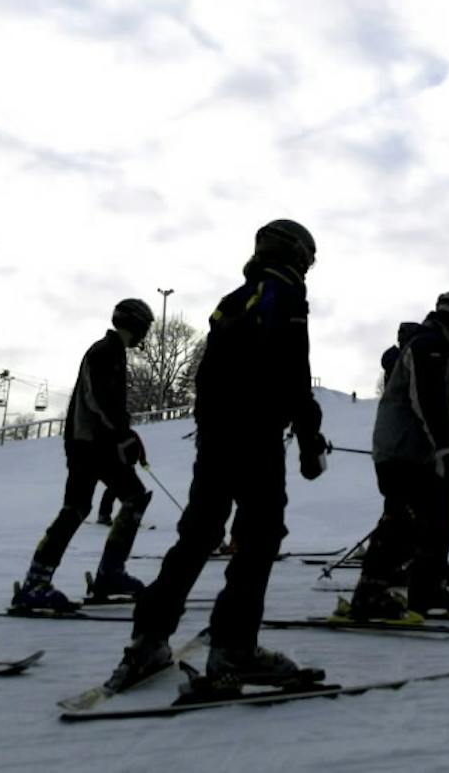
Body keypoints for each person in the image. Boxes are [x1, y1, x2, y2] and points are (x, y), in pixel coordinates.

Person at [111, 219, 328, 687]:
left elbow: (207, 377)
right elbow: (292, 371)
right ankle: (234, 647)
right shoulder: (285, 295)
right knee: (260, 534)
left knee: (199, 533)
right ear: (295, 255)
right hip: (256, 436)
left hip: (217, 437)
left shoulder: (233, 301)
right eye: (307, 258)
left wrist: (211, 431)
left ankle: (149, 636)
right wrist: (309, 437)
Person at [349, 290, 449, 620]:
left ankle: (427, 589)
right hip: (401, 448)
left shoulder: (441, 349)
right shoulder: (428, 346)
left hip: (418, 450)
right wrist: (445, 447)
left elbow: (438, 397)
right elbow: (423, 399)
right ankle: (370, 593)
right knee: (404, 518)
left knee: (438, 515)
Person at [13, 299, 156, 611]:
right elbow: (99, 399)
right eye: (145, 327)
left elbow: (108, 404)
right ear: (136, 325)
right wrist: (122, 434)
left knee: (85, 506)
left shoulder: (112, 351)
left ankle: (42, 580)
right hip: (91, 444)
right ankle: (102, 575)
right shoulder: (105, 351)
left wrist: (127, 435)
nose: (146, 334)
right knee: (124, 498)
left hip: (92, 442)